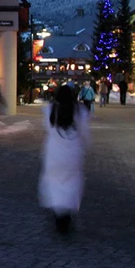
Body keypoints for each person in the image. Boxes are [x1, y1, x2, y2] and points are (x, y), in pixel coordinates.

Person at [38, 84, 90, 235]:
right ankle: (66, 217)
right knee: (71, 186)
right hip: (72, 154)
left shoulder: (50, 110)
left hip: (54, 153)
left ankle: (59, 216)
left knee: (55, 185)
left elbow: (47, 128)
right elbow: (85, 132)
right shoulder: (80, 111)